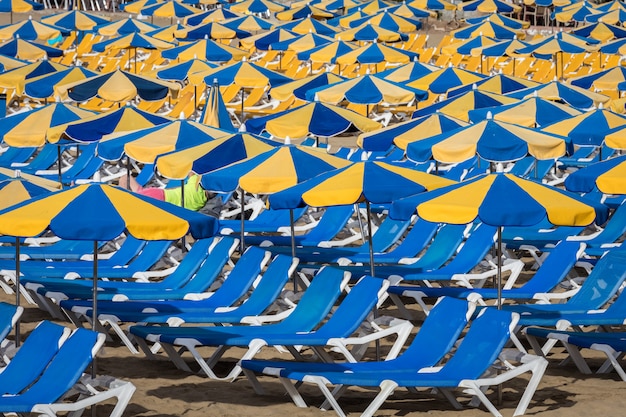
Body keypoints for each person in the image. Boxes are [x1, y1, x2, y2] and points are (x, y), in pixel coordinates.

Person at [119, 172, 209, 212]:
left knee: (126, 179)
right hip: (161, 201)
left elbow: (191, 172)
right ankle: (122, 199)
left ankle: (121, 198)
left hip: (160, 195)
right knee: (134, 198)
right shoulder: (199, 202)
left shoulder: (195, 184)